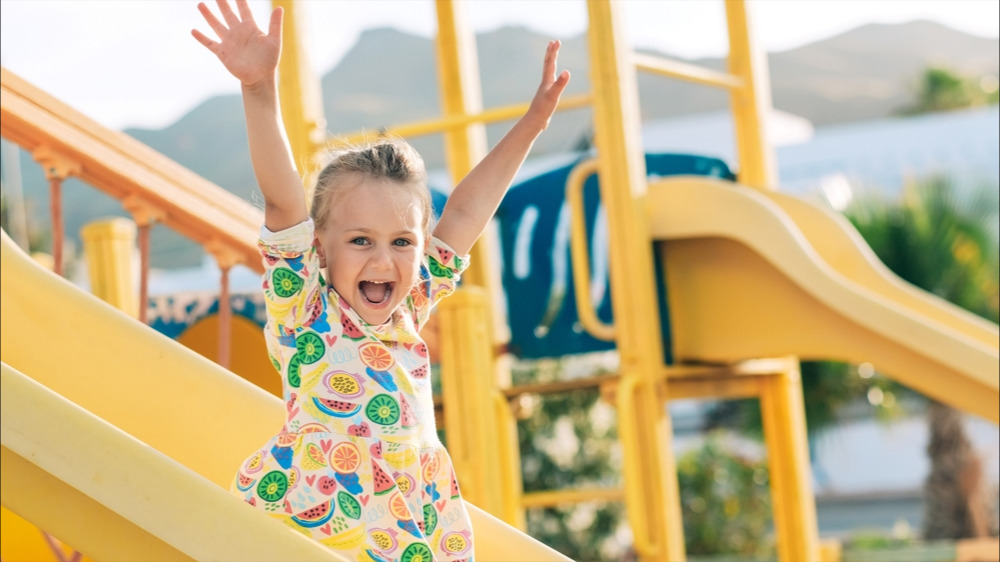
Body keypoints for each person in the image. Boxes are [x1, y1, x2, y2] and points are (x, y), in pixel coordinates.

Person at [192, 1, 569, 560]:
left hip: (404, 531)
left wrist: (532, 126)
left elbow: (463, 214)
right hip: (313, 529)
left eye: (402, 242)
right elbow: (282, 199)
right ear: (320, 245)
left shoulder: (410, 308)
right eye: (360, 240)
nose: (383, 261)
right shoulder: (305, 307)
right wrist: (258, 89)